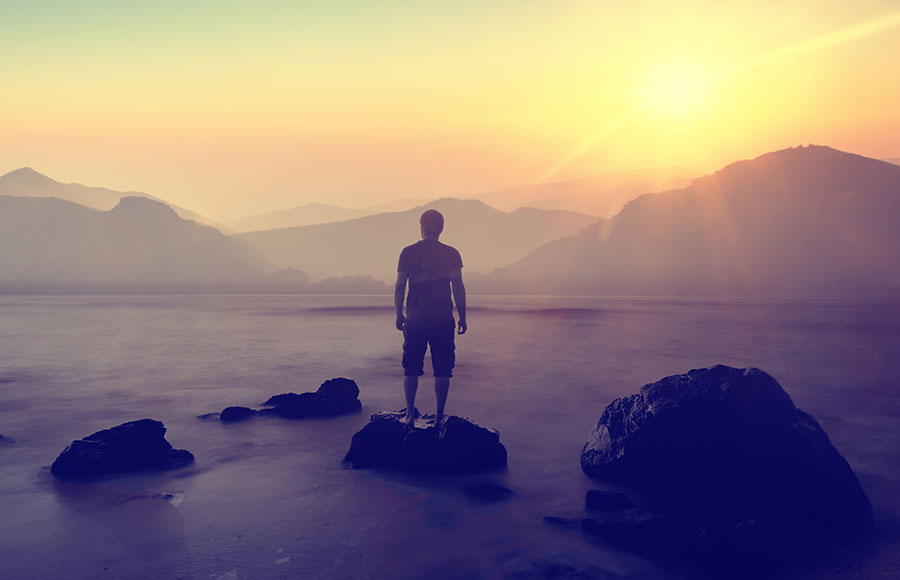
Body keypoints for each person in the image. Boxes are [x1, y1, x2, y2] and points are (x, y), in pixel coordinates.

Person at [394, 209, 467, 431]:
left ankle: (409, 414)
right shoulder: (452, 253)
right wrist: (463, 315)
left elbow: (399, 286)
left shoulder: (407, 253)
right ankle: (438, 417)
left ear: (421, 227)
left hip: (416, 317)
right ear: (441, 228)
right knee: (443, 368)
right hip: (443, 317)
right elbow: (458, 288)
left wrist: (399, 313)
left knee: (411, 367)